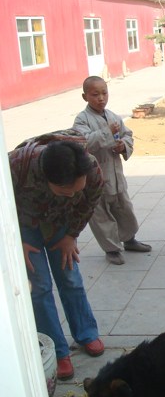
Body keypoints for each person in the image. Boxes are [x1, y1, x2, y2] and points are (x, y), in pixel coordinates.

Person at [8, 130, 106, 380]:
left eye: (77, 189)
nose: (73, 194)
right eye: (66, 191)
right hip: (25, 228)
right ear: (47, 178)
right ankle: (57, 350)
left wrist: (71, 235)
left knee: (70, 277)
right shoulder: (16, 165)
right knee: (39, 288)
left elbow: (90, 201)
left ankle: (87, 333)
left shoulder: (91, 169)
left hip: (61, 225)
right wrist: (13, 240)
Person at [73, 76, 152, 265]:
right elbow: (84, 143)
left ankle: (129, 239)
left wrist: (123, 146)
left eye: (104, 93)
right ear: (85, 97)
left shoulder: (113, 116)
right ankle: (111, 249)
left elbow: (127, 135)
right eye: (95, 94)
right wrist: (107, 133)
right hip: (96, 176)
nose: (101, 98)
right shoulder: (81, 120)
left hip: (115, 173)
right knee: (101, 214)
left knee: (124, 208)